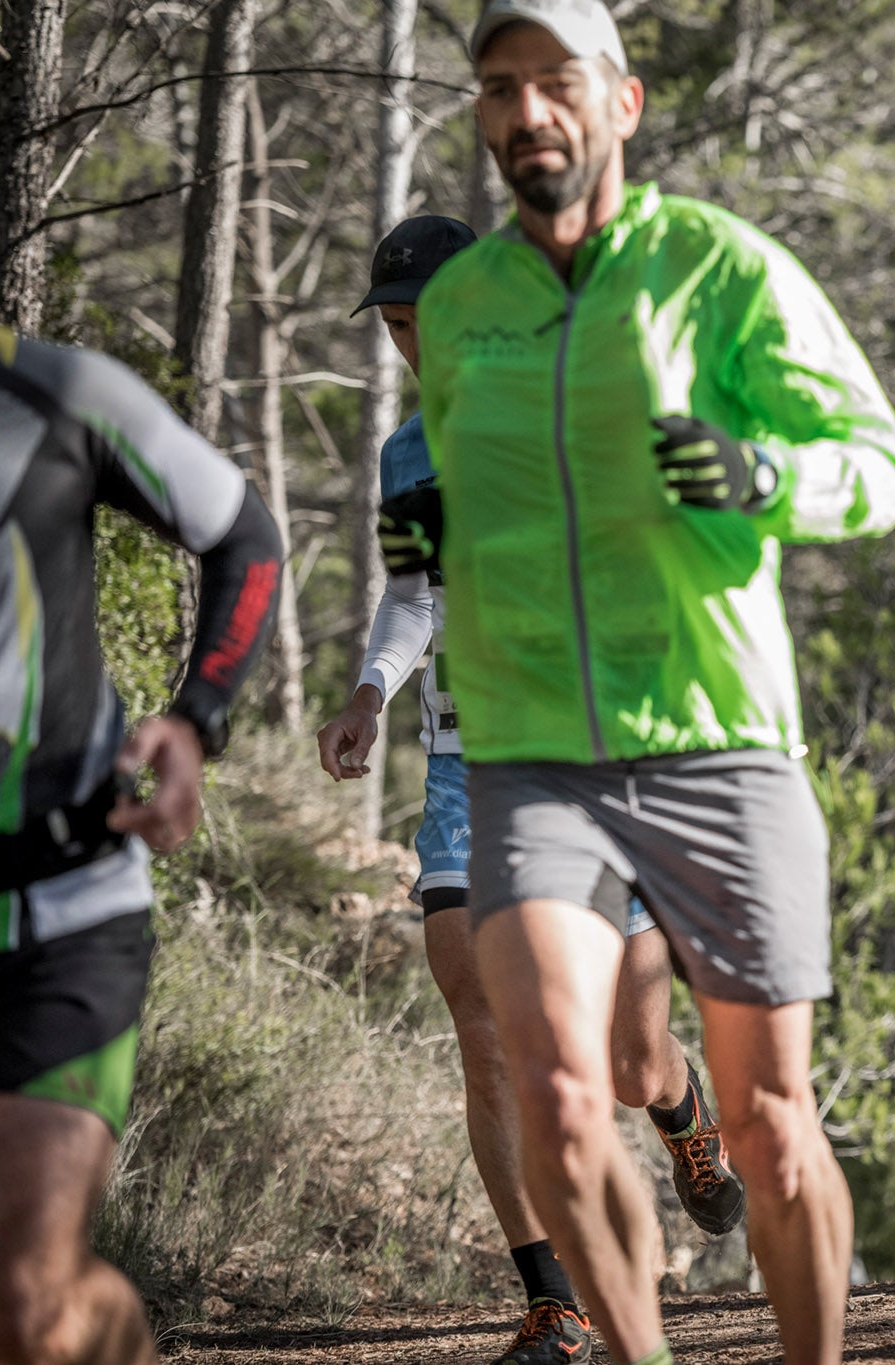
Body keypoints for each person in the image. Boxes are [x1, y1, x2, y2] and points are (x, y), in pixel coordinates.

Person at [382, 3, 895, 1361]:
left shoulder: (717, 268)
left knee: (771, 1128)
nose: (524, 113)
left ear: (621, 103)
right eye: (498, 89)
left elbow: (878, 464)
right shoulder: (458, 310)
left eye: (554, 82)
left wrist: (764, 478)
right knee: (563, 1099)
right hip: (526, 751)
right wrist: (433, 551)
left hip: (715, 740)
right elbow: (472, 506)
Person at [317, 214, 747, 1365]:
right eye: (396, 328)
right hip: (470, 763)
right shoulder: (409, 449)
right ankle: (549, 1297)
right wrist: (366, 692)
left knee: (625, 1058)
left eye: (423, 320)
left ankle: (680, 1111)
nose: (410, 345)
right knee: (484, 1026)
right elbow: (417, 596)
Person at [0, 325, 282, 1364]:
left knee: (20, 1300)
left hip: (61, 907)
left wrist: (196, 720)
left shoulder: (49, 390)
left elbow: (245, 534)